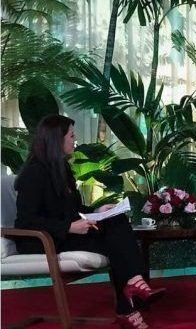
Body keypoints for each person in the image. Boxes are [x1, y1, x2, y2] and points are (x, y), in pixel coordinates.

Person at [14, 114, 164, 329]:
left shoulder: (62, 169)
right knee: (115, 242)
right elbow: (25, 221)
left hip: (65, 234)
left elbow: (72, 209)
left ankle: (132, 288)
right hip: (42, 240)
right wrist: (69, 227)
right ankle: (129, 300)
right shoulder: (34, 173)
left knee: (116, 220)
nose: (74, 140)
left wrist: (96, 210)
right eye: (71, 135)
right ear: (56, 139)